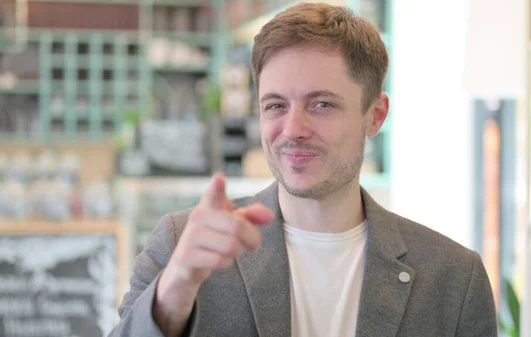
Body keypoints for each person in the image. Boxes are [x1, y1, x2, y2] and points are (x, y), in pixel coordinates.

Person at [108, 3, 498, 337]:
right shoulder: (183, 245)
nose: (293, 130)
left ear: (374, 116)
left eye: (322, 105)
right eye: (275, 105)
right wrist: (175, 291)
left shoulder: (453, 278)